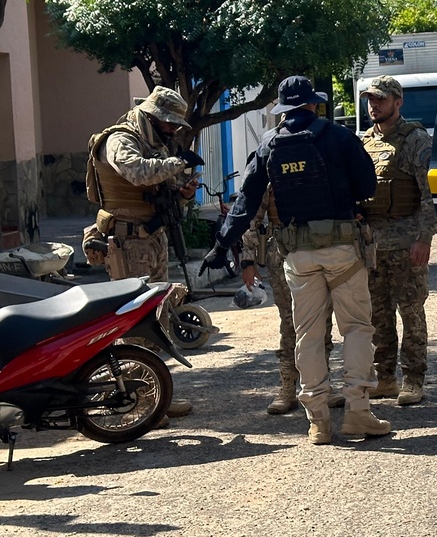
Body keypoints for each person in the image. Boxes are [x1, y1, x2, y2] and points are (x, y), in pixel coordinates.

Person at [203, 76, 390, 445]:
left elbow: (246, 201)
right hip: (341, 250)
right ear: (314, 104)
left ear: (284, 109)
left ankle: (318, 421)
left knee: (306, 334)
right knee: (355, 328)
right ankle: (358, 413)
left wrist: (221, 245)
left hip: (296, 254)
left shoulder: (269, 144)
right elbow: (368, 188)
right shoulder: (339, 137)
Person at [86, 86, 197, 422]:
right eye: (170, 124)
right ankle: (140, 403)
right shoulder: (120, 140)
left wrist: (182, 193)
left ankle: (155, 394)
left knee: (156, 320)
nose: (174, 130)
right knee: (133, 324)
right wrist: (177, 163)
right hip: (128, 243)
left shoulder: (153, 143)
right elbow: (137, 172)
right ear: (153, 117)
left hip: (152, 239)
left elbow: (154, 189)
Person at [358, 75, 437, 407]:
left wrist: (424, 238)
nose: (373, 105)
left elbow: (429, 194)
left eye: (380, 99)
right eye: (370, 99)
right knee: (378, 316)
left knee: (411, 313)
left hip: (407, 245)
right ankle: (386, 378)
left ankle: (414, 380)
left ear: (397, 102)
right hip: (373, 246)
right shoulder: (364, 142)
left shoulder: (416, 141)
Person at [240, 190, 340, 415]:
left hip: (320, 248)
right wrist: (247, 260)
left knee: (322, 321)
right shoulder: (271, 162)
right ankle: (287, 387)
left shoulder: (321, 158)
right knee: (290, 323)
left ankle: (323, 384)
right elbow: (251, 215)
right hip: (283, 254)